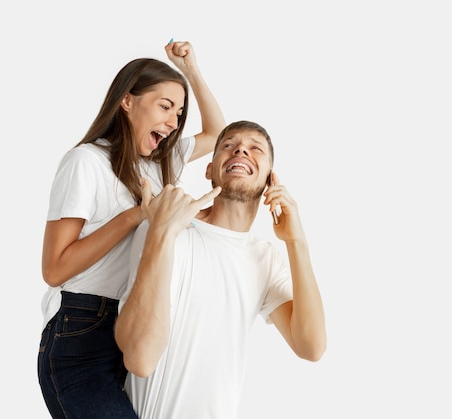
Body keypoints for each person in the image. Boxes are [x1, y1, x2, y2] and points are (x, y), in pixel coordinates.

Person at [37, 40, 225, 419]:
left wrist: (190, 71)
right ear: (127, 101)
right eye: (165, 106)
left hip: (135, 328)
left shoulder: (160, 160)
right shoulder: (86, 162)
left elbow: (218, 132)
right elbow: (54, 268)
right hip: (81, 332)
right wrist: (135, 216)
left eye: (179, 111)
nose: (174, 122)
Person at [115, 120, 327, 418]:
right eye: (229, 145)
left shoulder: (263, 258)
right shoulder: (168, 225)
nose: (241, 149)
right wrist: (161, 233)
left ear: (270, 179)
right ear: (209, 168)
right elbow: (141, 359)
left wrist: (297, 241)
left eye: (256, 148)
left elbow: (311, 347)